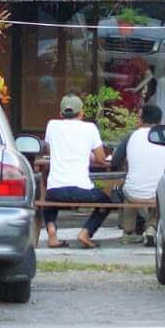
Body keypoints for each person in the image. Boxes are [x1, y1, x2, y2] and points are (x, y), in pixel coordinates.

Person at [43, 93, 111, 249]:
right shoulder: (90, 128)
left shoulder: (52, 125)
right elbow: (101, 159)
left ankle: (52, 230)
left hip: (56, 191)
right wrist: (89, 155)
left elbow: (50, 148)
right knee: (107, 202)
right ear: (82, 113)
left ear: (60, 114)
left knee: (48, 199)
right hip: (83, 190)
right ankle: (86, 232)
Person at [109, 104, 165, 245]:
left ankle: (128, 232)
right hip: (159, 193)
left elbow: (115, 161)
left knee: (128, 190)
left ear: (141, 120)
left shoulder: (131, 136)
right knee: (160, 191)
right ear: (159, 120)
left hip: (133, 193)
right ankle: (151, 228)